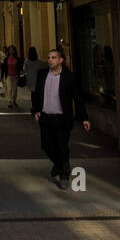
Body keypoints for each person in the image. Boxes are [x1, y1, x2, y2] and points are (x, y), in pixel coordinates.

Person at [31, 46, 90, 190]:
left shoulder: (69, 77)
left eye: (53, 58)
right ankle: (59, 165)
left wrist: (84, 118)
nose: (50, 60)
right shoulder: (42, 74)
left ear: (61, 60)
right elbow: (36, 93)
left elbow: (78, 98)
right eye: (49, 57)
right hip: (45, 118)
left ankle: (64, 175)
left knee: (62, 146)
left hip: (62, 119)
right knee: (46, 145)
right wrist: (36, 110)